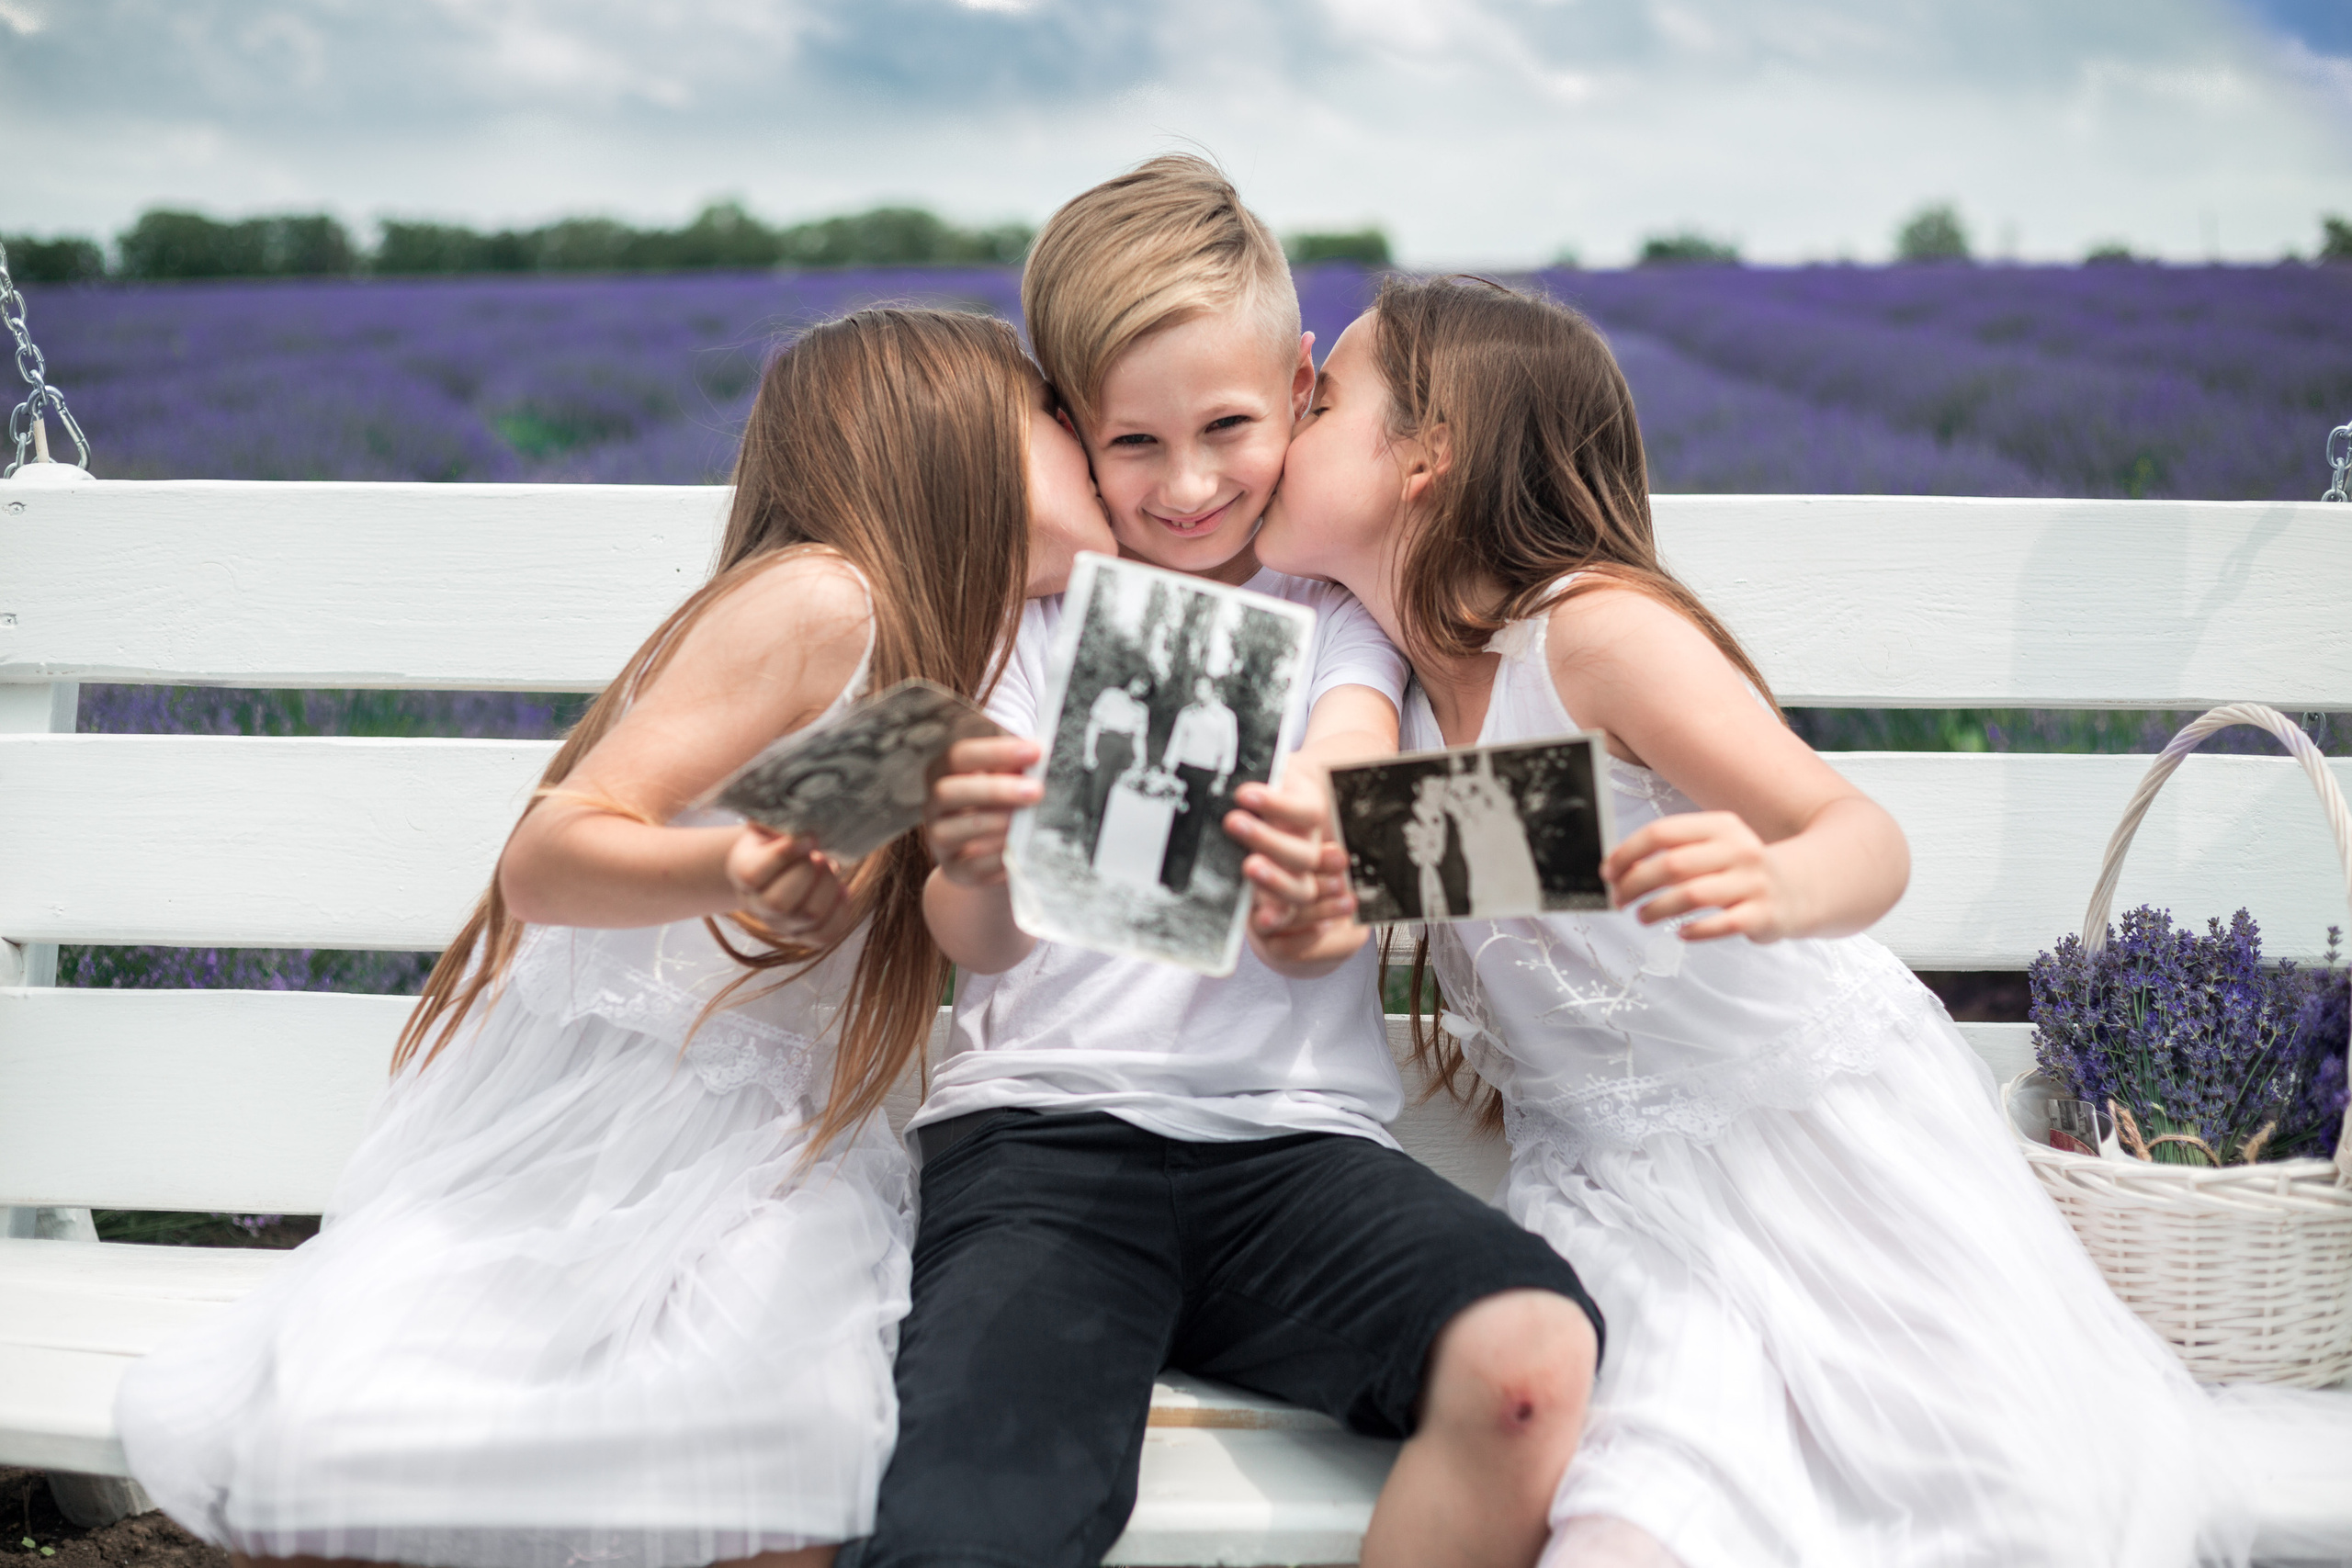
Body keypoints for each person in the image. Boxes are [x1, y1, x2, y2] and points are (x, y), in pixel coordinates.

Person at [1252, 272, 2266, 1567]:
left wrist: (1784, 885)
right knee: (1635, 1519)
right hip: (1614, 1202)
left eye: (1324, 396)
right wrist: (1307, 914)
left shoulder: (1590, 639)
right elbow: (1395, 893)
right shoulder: (1377, 693)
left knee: (1983, 1502)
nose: (1289, 420)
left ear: (1426, 456)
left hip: (1811, 1158)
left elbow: (1860, 835)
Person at [112, 308, 1116, 1568]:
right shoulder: (827, 601)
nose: (1090, 442)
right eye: (1055, 415)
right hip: (620, 1122)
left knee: (792, 1439)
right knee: (394, 1438)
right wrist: (733, 861)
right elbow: (550, 852)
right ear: (949, 447)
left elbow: (850, 882)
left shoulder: (969, 649)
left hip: (779, 1138)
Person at [855, 158, 1602, 1568]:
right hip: (1042, 1144)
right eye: (1133, 443)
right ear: (1069, 427)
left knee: (1531, 1352)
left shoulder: (1329, 613)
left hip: (1293, 1147)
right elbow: (980, 934)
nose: (1189, 484)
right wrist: (971, 860)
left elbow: (1344, 797)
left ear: (1304, 388)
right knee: (972, 1515)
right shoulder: (1021, 625)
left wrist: (1320, 882)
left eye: (1227, 427)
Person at [1157, 672, 1238, 891]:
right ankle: (1162, 873)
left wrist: (1221, 779)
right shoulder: (1187, 714)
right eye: (1196, 688)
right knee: (1172, 822)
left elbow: (1228, 750)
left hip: (1205, 775)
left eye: (1203, 688)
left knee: (1192, 828)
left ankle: (1179, 880)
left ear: (1213, 690)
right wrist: (1169, 771)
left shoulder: (1225, 717)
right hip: (1182, 770)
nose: (1198, 692)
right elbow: (1176, 743)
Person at [1080, 673, 1151, 857]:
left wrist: (1141, 760)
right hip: (1105, 746)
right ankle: (1082, 839)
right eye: (1138, 683)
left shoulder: (1141, 709)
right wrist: (1089, 752)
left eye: (1145, 688)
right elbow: (1094, 724)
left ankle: (1101, 845)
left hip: (1124, 752)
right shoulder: (1111, 695)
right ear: (1130, 681)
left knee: (1115, 797)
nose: (1140, 689)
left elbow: (1139, 738)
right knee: (1095, 791)